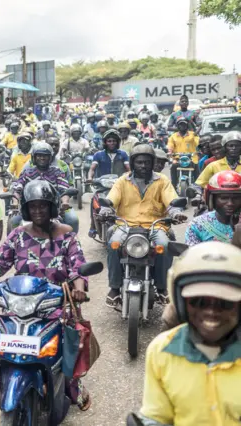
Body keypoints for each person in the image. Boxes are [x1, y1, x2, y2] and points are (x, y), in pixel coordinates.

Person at [0, 180, 92, 410]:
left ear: (52, 207)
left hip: (55, 301)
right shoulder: (18, 234)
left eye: (43, 206)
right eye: (33, 207)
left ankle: (72, 382)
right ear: (26, 209)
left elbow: (78, 266)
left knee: (72, 340)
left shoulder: (66, 235)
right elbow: (0, 261)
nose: (38, 211)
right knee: (1, 328)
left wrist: (78, 288)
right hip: (21, 301)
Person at [136, 242, 241, 426]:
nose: (211, 312)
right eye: (199, 301)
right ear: (181, 302)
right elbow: (157, 415)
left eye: (225, 302)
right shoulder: (162, 351)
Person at [102, 144, 187, 307]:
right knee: (113, 245)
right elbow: (111, 199)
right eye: (139, 162)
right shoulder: (122, 181)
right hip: (126, 224)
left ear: (152, 162)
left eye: (147, 162)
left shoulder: (162, 181)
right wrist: (106, 209)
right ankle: (114, 287)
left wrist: (176, 213)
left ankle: (162, 288)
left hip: (156, 225)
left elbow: (172, 201)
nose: (143, 166)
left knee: (164, 245)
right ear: (133, 163)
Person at [12, 142, 79, 233]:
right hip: (30, 208)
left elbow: (64, 189)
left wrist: (65, 202)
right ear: (34, 157)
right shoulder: (27, 172)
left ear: (50, 158)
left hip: (53, 208)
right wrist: (15, 202)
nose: (42, 158)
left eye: (45, 155)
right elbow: (18, 187)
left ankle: (71, 244)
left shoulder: (57, 171)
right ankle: (12, 244)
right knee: (14, 221)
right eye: (39, 155)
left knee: (73, 219)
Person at [185, 171, 241, 246]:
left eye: (236, 198)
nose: (230, 203)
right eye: (224, 198)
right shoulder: (197, 225)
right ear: (212, 199)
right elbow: (192, 254)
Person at [167, 116, 199, 187]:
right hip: (178, 159)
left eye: (184, 124)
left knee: (196, 167)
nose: (182, 126)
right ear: (177, 126)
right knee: (173, 167)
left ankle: (198, 186)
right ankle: (174, 185)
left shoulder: (192, 134)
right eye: (180, 124)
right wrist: (170, 152)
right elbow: (170, 145)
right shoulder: (173, 136)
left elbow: (197, 143)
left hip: (191, 159)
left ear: (187, 125)